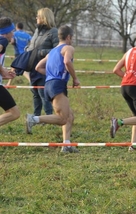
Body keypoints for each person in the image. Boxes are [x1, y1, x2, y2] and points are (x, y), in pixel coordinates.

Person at [25, 25, 80, 153]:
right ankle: (34, 119)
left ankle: (66, 145)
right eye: (72, 38)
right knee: (62, 119)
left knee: (69, 116)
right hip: (57, 85)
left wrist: (51, 75)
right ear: (68, 37)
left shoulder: (52, 51)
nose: (72, 40)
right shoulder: (68, 48)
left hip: (48, 86)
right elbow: (67, 62)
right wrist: (75, 78)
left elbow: (38, 67)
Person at [110, 27, 136, 152]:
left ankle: (133, 145)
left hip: (125, 87)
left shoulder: (128, 52)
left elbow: (115, 70)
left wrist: (128, 77)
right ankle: (118, 122)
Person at [26, 7, 59, 116]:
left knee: (42, 93)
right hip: (32, 66)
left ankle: (48, 116)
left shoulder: (53, 32)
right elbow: (32, 45)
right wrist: (27, 50)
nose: (36, 18)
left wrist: (42, 52)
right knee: (35, 93)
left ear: (44, 18)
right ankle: (36, 117)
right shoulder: (36, 30)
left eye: (38, 16)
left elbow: (58, 50)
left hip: (44, 67)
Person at [0, 17, 20, 127]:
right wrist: (2, 71)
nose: (13, 34)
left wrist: (3, 73)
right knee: (14, 113)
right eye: (11, 31)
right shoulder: (2, 40)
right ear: (6, 32)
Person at [7, 22, 31, 86]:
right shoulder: (26, 34)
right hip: (25, 53)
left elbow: (12, 41)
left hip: (18, 53)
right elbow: (31, 41)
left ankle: (30, 80)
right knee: (14, 68)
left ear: (17, 27)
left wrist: (11, 43)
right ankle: (9, 83)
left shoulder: (14, 34)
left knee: (18, 68)